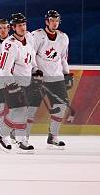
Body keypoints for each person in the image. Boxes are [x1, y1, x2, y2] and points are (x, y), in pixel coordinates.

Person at [0, 13, 41, 153]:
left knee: (21, 112)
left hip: (26, 82)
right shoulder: (10, 44)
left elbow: (31, 59)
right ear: (13, 27)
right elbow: (4, 69)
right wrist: (12, 85)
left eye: (24, 25)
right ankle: (19, 140)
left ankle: (3, 136)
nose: (22, 27)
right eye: (19, 25)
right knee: (19, 111)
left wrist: (36, 70)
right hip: (12, 82)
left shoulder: (29, 39)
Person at [28, 10, 72, 149]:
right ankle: (24, 136)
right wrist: (35, 71)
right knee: (31, 108)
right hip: (39, 78)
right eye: (52, 20)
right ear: (46, 21)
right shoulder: (37, 35)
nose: (54, 23)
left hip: (56, 77)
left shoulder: (63, 37)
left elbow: (63, 58)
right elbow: (31, 55)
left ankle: (53, 136)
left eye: (56, 20)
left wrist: (66, 74)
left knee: (61, 106)